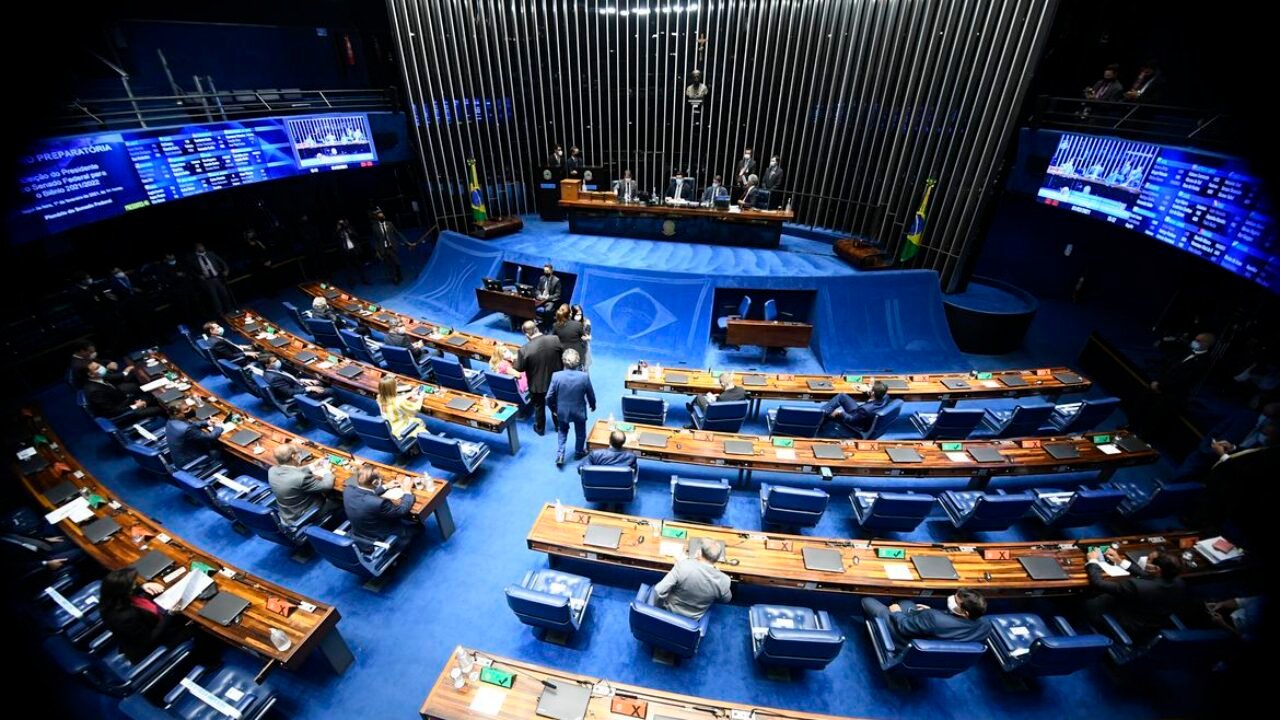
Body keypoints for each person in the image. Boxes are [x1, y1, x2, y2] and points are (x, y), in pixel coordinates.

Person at [1084, 548, 1188, 642]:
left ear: (1157, 569)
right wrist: (1119, 561)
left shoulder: (1137, 586)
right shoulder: (1179, 582)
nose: (1146, 559)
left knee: (1086, 600)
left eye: (1148, 560)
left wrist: (1092, 561)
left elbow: (1098, 583)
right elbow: (1149, 577)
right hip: (1151, 622)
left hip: (1127, 625)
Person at [99, 568, 185, 662]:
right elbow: (150, 638)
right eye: (133, 585)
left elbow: (128, 593)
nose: (135, 585)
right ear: (124, 591)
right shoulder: (126, 618)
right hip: (152, 646)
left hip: (150, 623)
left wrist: (144, 586)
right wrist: (170, 614)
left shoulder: (108, 600)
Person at [1174, 403, 1279, 480]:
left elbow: (1244, 470)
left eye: (1272, 425)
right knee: (1178, 479)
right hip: (1207, 456)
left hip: (1224, 473)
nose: (1267, 428)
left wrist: (1222, 455)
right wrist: (1231, 448)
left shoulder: (1268, 450)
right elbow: (1217, 430)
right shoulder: (1245, 415)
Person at [860, 590, 990, 645]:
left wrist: (896, 612)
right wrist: (937, 613)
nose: (951, 599)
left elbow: (904, 627)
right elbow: (954, 626)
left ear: (965, 613)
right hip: (931, 635)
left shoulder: (933, 618)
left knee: (867, 600)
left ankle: (875, 631)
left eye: (955, 601)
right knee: (903, 599)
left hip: (906, 638)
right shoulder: (985, 626)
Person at [343, 465, 416, 552]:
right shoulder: (379, 503)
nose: (382, 478)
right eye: (381, 478)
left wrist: (385, 487)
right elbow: (401, 511)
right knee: (418, 527)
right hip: (380, 537)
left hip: (359, 533)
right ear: (375, 483)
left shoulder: (348, 490)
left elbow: (365, 494)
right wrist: (407, 492)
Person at [653, 539, 732, 620]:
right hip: (694, 618)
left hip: (670, 610)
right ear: (717, 559)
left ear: (699, 553)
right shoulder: (724, 580)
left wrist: (658, 608)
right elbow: (726, 599)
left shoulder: (683, 566)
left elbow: (658, 590)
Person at [268, 442, 339, 527]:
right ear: (293, 456)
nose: (300, 455)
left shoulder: (272, 470)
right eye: (298, 453)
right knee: (338, 500)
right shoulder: (301, 478)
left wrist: (312, 466)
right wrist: (327, 471)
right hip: (304, 514)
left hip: (288, 513)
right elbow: (326, 486)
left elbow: (291, 472)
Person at [547, 349, 596, 466]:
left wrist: (553, 409)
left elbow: (549, 397)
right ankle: (579, 452)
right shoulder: (584, 377)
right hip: (579, 411)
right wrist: (593, 405)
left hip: (562, 411)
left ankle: (560, 455)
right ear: (578, 362)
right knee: (580, 433)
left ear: (563, 362)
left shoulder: (556, 376)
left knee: (562, 431)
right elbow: (590, 394)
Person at [515, 320, 564, 436]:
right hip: (555, 380)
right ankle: (559, 426)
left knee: (539, 406)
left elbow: (520, 368)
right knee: (556, 404)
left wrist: (515, 361)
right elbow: (564, 354)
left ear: (526, 335)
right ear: (537, 329)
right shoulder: (555, 339)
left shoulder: (524, 350)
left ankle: (540, 429)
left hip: (537, 385)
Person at [83, 361, 164, 424]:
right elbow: (112, 412)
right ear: (90, 374)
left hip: (124, 402)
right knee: (160, 409)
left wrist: (134, 402)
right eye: (97, 368)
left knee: (152, 396)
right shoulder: (95, 392)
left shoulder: (99, 378)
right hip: (124, 414)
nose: (101, 367)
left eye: (99, 365)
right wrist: (135, 406)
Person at [819, 381, 891, 435]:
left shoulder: (865, 409)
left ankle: (819, 416)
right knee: (842, 396)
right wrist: (867, 390)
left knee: (832, 413)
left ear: (873, 393)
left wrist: (840, 413)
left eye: (869, 387)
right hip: (860, 414)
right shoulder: (885, 397)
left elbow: (851, 420)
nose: (868, 386)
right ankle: (823, 413)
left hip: (857, 422)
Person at [165, 403, 225, 468]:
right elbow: (209, 437)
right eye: (186, 409)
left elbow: (191, 424)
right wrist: (219, 427)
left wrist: (208, 422)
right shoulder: (186, 428)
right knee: (222, 450)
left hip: (181, 456)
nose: (190, 409)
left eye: (189, 407)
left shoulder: (172, 420)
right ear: (176, 413)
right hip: (192, 462)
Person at [188, 243, 235, 319]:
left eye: (202, 246)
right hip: (207, 281)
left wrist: (226, 270)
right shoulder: (192, 258)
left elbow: (221, 261)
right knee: (215, 299)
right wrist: (198, 276)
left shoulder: (210, 253)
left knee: (225, 295)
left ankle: (231, 312)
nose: (202, 247)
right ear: (196, 248)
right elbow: (190, 270)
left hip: (217, 278)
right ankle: (221, 315)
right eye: (200, 246)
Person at [263, 355, 331, 401]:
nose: (278, 361)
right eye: (274, 361)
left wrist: (302, 380)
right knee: (330, 390)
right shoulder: (274, 378)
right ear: (267, 365)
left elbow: (288, 380)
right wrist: (310, 388)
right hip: (300, 395)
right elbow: (290, 392)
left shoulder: (272, 370)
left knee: (319, 381)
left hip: (298, 385)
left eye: (276, 359)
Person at [370, 207, 406, 285]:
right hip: (383, 248)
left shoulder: (389, 223)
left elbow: (397, 233)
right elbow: (376, 240)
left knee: (397, 263)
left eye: (382, 215)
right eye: (379, 216)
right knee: (389, 264)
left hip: (392, 247)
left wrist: (406, 242)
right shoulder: (375, 227)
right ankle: (394, 278)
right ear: (377, 218)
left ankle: (398, 275)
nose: (381, 216)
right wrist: (377, 251)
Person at [334, 218, 368, 285]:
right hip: (345, 251)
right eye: (340, 223)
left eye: (342, 223)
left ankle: (365, 280)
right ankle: (351, 282)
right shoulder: (337, 232)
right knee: (348, 268)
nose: (342, 225)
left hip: (353, 249)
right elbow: (335, 240)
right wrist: (338, 230)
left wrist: (349, 231)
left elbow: (356, 235)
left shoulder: (349, 228)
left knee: (359, 266)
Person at [572, 304, 593, 371]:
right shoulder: (569, 322)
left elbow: (587, 335)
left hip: (583, 347)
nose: (578, 316)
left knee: (584, 369)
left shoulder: (586, 322)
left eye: (580, 314)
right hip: (571, 347)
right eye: (576, 314)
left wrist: (586, 337)